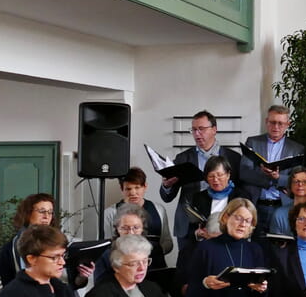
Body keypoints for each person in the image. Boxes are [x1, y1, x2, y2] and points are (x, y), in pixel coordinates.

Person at [158, 110, 242, 253]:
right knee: (189, 270)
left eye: (201, 129)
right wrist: (167, 185)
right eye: (194, 130)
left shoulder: (233, 158)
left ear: (214, 129)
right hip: (189, 226)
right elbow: (167, 197)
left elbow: (240, 194)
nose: (197, 134)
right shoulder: (182, 158)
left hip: (223, 224)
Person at [240, 104, 306, 225]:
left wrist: (278, 178)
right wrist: (268, 179)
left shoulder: (297, 149)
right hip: (255, 204)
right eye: (272, 122)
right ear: (266, 122)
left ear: (288, 124)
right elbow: (244, 172)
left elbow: (298, 180)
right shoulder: (253, 142)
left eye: (280, 123)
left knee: (280, 241)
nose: (276, 127)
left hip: (283, 206)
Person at [101, 167, 173, 262]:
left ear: (145, 187)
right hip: (125, 268)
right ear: (121, 189)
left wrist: (150, 253)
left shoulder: (159, 210)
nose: (133, 193)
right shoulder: (110, 213)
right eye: (128, 189)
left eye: (137, 188)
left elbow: (168, 242)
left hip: (156, 267)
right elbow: (106, 246)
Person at [0, 193, 63, 285]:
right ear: (28, 213)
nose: (46, 216)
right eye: (42, 211)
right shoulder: (12, 247)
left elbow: (69, 282)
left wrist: (80, 276)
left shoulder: (57, 241)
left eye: (50, 212)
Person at [184, 154, 250, 250]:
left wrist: (222, 236)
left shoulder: (241, 197)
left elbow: (248, 227)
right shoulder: (199, 197)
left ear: (228, 175)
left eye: (220, 175)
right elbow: (192, 227)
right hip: (206, 246)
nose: (215, 180)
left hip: (233, 246)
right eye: (211, 176)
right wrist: (197, 233)